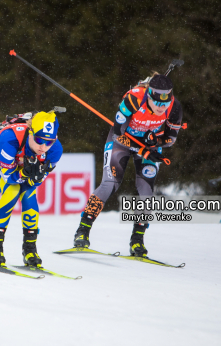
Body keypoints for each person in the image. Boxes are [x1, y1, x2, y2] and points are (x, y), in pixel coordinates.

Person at [73, 74, 183, 257]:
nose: (160, 108)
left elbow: (170, 139)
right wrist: (142, 149)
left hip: (149, 145)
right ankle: (82, 231)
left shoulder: (174, 107)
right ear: (149, 96)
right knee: (110, 183)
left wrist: (156, 140)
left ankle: (137, 241)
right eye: (157, 103)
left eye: (165, 104)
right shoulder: (134, 98)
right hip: (122, 141)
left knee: (146, 191)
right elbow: (117, 133)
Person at [0, 110, 63, 266]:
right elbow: (9, 177)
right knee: (12, 190)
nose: (43, 147)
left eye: (49, 142)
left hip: (18, 164)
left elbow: (36, 182)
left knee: (29, 193)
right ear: (30, 132)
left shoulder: (55, 150)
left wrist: (34, 179)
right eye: (39, 140)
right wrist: (24, 173)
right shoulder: (10, 139)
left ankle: (30, 248)